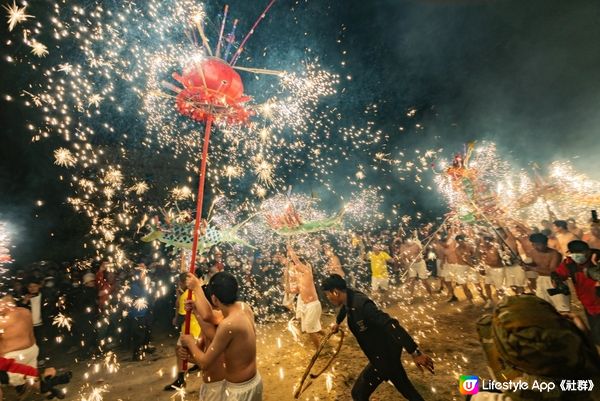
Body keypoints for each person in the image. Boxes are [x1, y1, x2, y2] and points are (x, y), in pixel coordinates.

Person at [322, 275, 433, 401]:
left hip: (384, 357)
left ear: (335, 292)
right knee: (406, 389)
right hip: (383, 355)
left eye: (327, 294)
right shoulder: (349, 295)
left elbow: (391, 324)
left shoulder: (363, 306)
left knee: (358, 394)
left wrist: (415, 352)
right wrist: (337, 322)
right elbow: (345, 308)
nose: (327, 298)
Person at [180, 272, 262, 401]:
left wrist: (190, 342)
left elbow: (205, 363)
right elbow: (209, 316)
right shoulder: (244, 307)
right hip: (254, 381)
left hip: (239, 391)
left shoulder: (227, 325)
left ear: (214, 299)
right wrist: (196, 310)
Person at [554, 240, 600, 345]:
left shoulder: (597, 259)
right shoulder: (570, 264)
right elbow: (558, 274)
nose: (577, 256)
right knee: (596, 335)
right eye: (574, 253)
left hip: (598, 300)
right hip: (589, 304)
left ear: (588, 252)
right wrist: (558, 281)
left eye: (581, 253)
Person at [164, 273, 202, 391]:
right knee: (190, 351)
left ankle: (181, 379)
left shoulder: (185, 296)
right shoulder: (198, 291)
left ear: (183, 283)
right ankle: (198, 365)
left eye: (179, 282)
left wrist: (175, 317)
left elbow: (181, 317)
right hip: (198, 328)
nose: (178, 284)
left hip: (189, 329)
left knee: (180, 351)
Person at [516, 233, 570, 313]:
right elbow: (534, 265)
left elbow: (552, 271)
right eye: (533, 244)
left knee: (562, 308)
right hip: (541, 280)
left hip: (555, 281)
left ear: (545, 243)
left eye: (537, 244)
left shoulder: (555, 254)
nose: (535, 246)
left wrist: (531, 268)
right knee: (544, 307)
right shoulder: (532, 252)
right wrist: (525, 265)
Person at [287, 244, 323, 349]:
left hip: (313, 305)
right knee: (314, 328)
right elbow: (295, 290)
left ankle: (319, 350)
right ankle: (327, 336)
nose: (294, 267)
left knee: (309, 330)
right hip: (306, 306)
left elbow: (297, 261)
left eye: (295, 265)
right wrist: (288, 287)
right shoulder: (298, 277)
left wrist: (290, 250)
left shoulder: (307, 272)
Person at [19, 276, 57, 366]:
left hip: (42, 324)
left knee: (41, 342)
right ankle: (33, 360)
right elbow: (19, 311)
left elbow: (50, 307)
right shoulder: (25, 298)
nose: (32, 289)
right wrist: (24, 302)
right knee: (31, 344)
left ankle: (41, 358)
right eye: (30, 287)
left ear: (39, 286)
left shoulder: (45, 296)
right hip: (30, 325)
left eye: (34, 286)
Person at [478, 236, 505, 309]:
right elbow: (482, 259)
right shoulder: (483, 249)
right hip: (488, 269)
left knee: (499, 288)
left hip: (497, 270)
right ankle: (489, 301)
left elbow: (495, 261)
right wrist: (482, 267)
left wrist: (486, 263)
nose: (482, 243)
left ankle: (502, 303)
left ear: (488, 242)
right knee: (486, 285)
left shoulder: (495, 249)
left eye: (483, 241)